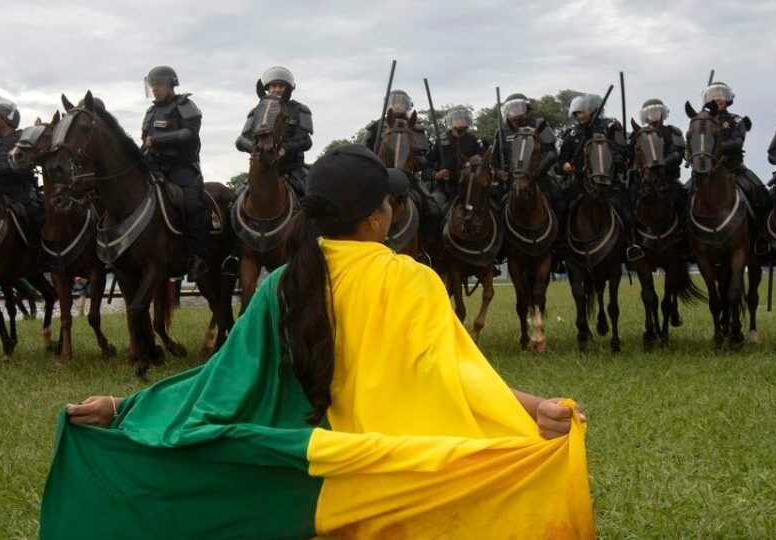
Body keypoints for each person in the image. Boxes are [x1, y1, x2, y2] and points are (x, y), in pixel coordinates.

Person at [42, 144, 593, 539]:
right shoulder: (411, 279)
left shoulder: (282, 281)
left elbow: (218, 381)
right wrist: (536, 410)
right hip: (388, 482)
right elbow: (457, 377)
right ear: (379, 216)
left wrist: (125, 408)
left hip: (314, 476)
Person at [557, 94, 644, 261]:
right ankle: (560, 245)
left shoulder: (610, 127)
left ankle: (632, 244)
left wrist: (617, 158)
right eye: (577, 113)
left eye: (583, 112)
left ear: (593, 111)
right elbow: (562, 160)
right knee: (561, 204)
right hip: (581, 181)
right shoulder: (572, 133)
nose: (580, 116)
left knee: (626, 206)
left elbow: (623, 151)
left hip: (608, 181)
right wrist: (565, 165)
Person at [141, 65, 208, 280]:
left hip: (181, 168)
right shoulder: (151, 112)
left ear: (170, 84)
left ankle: (197, 257)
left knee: (191, 203)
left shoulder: (185, 105)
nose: (155, 90)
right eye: (152, 86)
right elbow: (145, 140)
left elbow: (189, 134)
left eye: (159, 85)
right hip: (154, 166)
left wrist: (158, 140)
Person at [699, 81, 772, 255]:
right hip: (709, 171)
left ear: (727, 99)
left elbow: (737, 142)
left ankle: (763, 237)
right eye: (714, 96)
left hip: (734, 168)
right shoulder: (703, 121)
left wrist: (714, 147)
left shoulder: (736, 119)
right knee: (686, 195)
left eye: (721, 95)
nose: (718, 99)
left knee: (761, 194)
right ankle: (687, 239)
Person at [235, 66, 313, 196]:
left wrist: (285, 148)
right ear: (267, 88)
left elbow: (306, 141)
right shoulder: (257, 111)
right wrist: (257, 149)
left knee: (314, 196)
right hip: (262, 168)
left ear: (288, 88)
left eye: (281, 86)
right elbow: (241, 141)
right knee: (236, 197)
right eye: (274, 86)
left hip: (292, 169)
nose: (277, 89)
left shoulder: (300, 109)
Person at [361, 89, 439, 218]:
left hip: (408, 177)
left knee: (432, 208)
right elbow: (362, 152)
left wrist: (416, 161)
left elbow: (423, 158)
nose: (397, 106)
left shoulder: (416, 128)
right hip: (378, 175)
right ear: (387, 105)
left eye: (401, 103)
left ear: (407, 106)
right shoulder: (375, 126)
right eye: (394, 103)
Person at [0, 97, 44, 243]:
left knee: (37, 215)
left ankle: (40, 252)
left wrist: (36, 136)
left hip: (18, 192)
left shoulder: (23, 138)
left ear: (6, 119)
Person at [630, 98, 688, 216]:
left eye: (656, 111)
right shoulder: (638, 134)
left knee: (684, 200)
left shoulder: (672, 131)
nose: (653, 114)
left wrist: (660, 164)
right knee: (628, 200)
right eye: (650, 112)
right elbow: (632, 156)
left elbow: (677, 154)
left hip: (668, 177)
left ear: (662, 113)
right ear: (645, 115)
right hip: (645, 178)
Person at [425, 105, 482, 210]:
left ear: (468, 121)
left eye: (463, 118)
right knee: (431, 209)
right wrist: (436, 175)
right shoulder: (439, 141)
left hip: (469, 188)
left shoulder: (475, 142)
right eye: (457, 118)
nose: (460, 121)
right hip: (444, 189)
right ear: (451, 121)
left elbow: (484, 167)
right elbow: (425, 168)